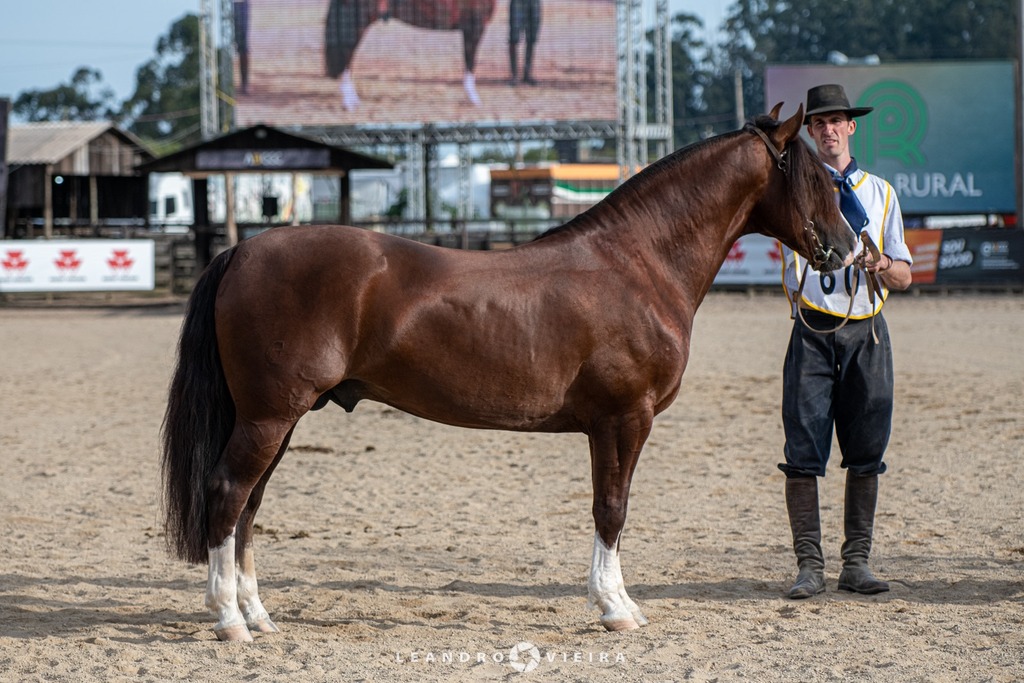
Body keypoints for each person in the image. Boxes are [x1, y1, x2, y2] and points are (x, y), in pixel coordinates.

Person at [778, 84, 913, 600]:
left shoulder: (881, 193)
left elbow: (904, 275)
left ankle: (856, 562)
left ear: (851, 127)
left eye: (837, 121)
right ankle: (809, 566)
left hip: (868, 333)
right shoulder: (797, 192)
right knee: (802, 450)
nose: (828, 129)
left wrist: (878, 262)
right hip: (812, 330)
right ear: (809, 132)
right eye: (819, 123)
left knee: (866, 450)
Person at [509, 0, 541, 86]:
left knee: (531, 38)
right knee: (514, 38)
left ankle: (527, 74)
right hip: (517, 2)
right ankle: (514, 75)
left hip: (534, 3)